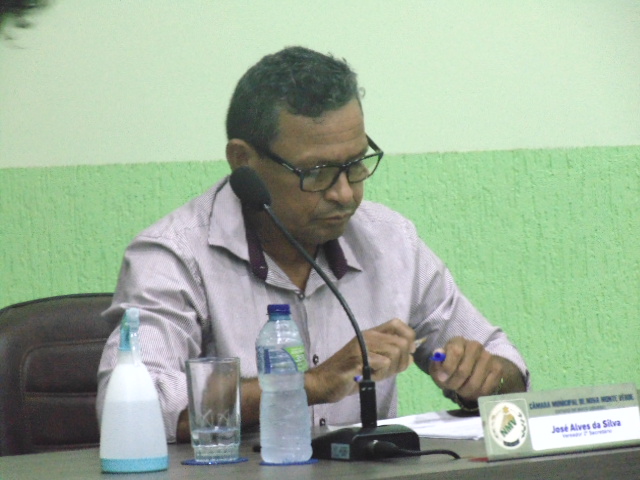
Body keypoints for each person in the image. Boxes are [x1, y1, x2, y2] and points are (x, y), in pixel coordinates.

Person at [97, 46, 529, 443]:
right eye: (317, 172)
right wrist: (310, 385)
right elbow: (137, 407)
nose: (345, 193)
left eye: (356, 164)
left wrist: (483, 379)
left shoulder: (391, 241)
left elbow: (507, 367)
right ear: (243, 162)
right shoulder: (174, 256)